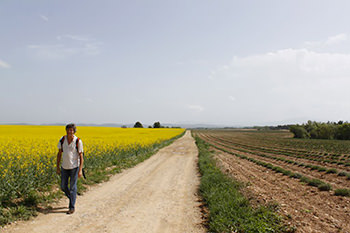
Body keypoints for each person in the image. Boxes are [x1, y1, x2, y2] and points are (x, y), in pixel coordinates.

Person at [56, 123, 84, 214]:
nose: (70, 132)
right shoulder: (62, 140)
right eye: (68, 130)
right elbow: (59, 154)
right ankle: (72, 197)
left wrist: (80, 170)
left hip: (74, 167)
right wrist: (57, 167)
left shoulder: (78, 141)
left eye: (72, 130)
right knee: (63, 186)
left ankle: (71, 207)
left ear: (74, 131)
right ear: (66, 131)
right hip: (64, 167)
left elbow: (81, 156)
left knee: (72, 187)